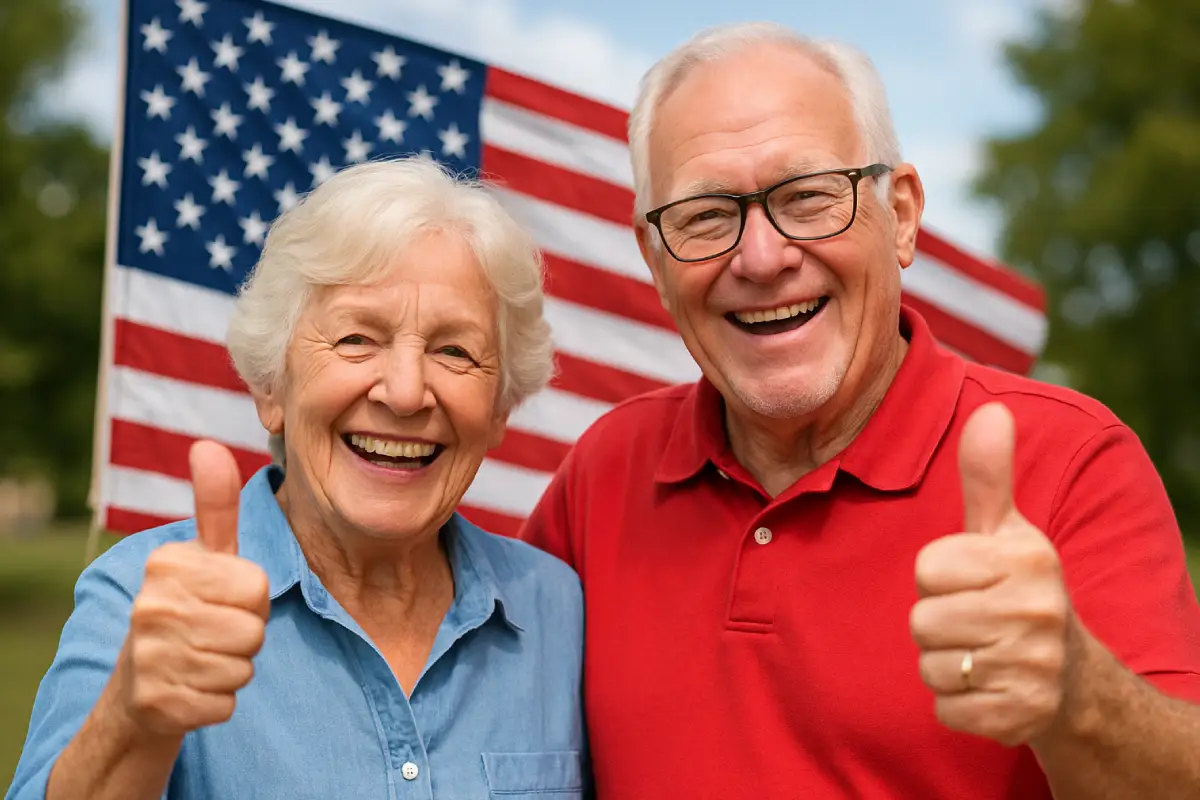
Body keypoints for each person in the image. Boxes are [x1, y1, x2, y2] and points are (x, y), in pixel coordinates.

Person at [520, 21, 1200, 800]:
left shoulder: (1070, 461)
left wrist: (1078, 696)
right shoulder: (604, 471)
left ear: (902, 215)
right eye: (706, 216)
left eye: (808, 198)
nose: (762, 258)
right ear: (654, 257)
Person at [8, 157, 588, 800]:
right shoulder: (141, 600)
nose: (404, 393)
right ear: (270, 387)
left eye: (455, 350)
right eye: (356, 339)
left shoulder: (558, 611)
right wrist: (132, 720)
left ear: (502, 408)